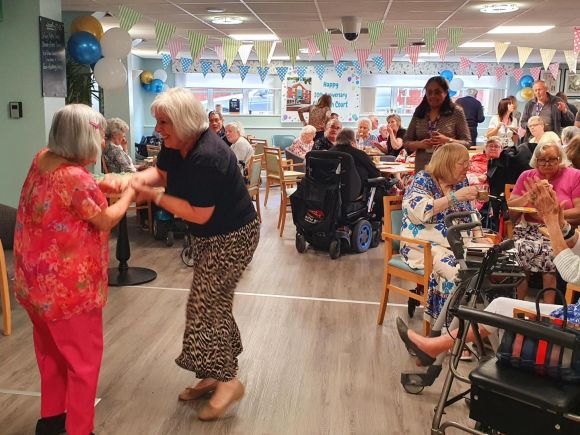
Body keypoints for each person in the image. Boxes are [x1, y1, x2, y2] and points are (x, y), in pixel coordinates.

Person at [128, 88, 260, 421]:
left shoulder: (209, 156)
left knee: (208, 306)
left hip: (233, 236)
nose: (158, 129)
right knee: (210, 304)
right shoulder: (178, 145)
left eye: (163, 122)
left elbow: (198, 213)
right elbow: (159, 173)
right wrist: (132, 181)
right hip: (209, 236)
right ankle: (216, 374)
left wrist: (153, 196)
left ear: (184, 122)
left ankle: (228, 381)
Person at [13, 104, 136, 435]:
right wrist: (129, 194)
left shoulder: (42, 160)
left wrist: (105, 185)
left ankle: (52, 421)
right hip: (69, 290)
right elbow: (104, 218)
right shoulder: (74, 178)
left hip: (34, 284)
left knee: (51, 356)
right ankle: (80, 429)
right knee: (83, 363)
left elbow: (73, 199)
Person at [397, 179, 580, 367]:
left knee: (465, 275)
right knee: (498, 301)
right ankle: (436, 345)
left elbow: (571, 272)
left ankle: (440, 345)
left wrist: (550, 219)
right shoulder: (427, 182)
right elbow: (577, 249)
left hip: (575, 327)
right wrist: (561, 223)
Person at [400, 143, 489, 323]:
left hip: (459, 243)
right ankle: (449, 330)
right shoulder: (423, 179)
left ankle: (482, 327)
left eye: (468, 162)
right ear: (446, 163)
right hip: (425, 245)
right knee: (458, 273)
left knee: (492, 263)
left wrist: (480, 237)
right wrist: (454, 198)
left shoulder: (461, 182)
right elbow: (420, 212)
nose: (468, 167)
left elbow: (471, 213)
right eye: (462, 163)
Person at [508, 135, 580, 303]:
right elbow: (511, 212)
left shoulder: (574, 175)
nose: (547, 164)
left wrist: (552, 215)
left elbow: (578, 211)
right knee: (519, 249)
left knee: (549, 252)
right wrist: (528, 196)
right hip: (528, 229)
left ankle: (548, 311)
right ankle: (517, 306)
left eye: (552, 160)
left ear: (560, 159)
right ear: (536, 160)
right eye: (542, 160)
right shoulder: (527, 175)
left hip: (557, 230)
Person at [404, 76, 471, 172]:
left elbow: (467, 143)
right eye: (429, 92)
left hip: (447, 168)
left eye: (437, 92)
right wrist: (420, 144)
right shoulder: (420, 112)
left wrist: (447, 140)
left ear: (446, 92)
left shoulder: (456, 112)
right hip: (422, 167)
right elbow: (406, 141)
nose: (432, 96)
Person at [329, 128, 385, 217]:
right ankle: (378, 218)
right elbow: (375, 173)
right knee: (381, 184)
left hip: (330, 191)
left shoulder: (329, 152)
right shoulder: (359, 154)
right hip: (354, 191)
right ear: (352, 141)